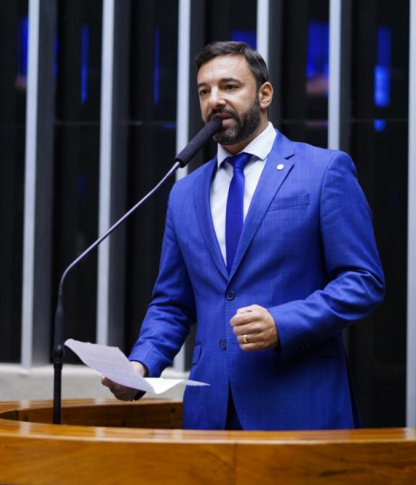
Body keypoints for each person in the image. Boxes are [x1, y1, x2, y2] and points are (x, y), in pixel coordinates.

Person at [102, 41, 385, 431]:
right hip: (209, 410)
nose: (214, 100)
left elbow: (363, 281)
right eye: (204, 91)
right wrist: (140, 364)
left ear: (264, 94)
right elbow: (172, 303)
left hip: (299, 405)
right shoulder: (185, 192)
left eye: (229, 87)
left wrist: (283, 322)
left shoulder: (324, 171)